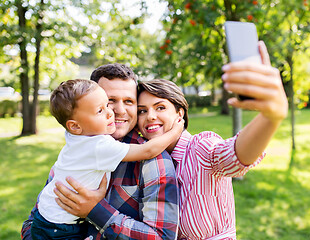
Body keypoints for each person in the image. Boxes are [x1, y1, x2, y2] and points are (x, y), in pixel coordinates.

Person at [135, 41, 288, 239]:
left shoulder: (200, 147)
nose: (150, 116)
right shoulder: (146, 160)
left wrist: (270, 117)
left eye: (160, 107)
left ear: (179, 114)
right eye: (142, 111)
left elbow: (234, 156)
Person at [21, 64, 180, 240]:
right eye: (110, 101)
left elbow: (162, 237)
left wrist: (95, 210)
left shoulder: (153, 162)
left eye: (129, 101)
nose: (118, 111)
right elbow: (33, 221)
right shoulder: (78, 151)